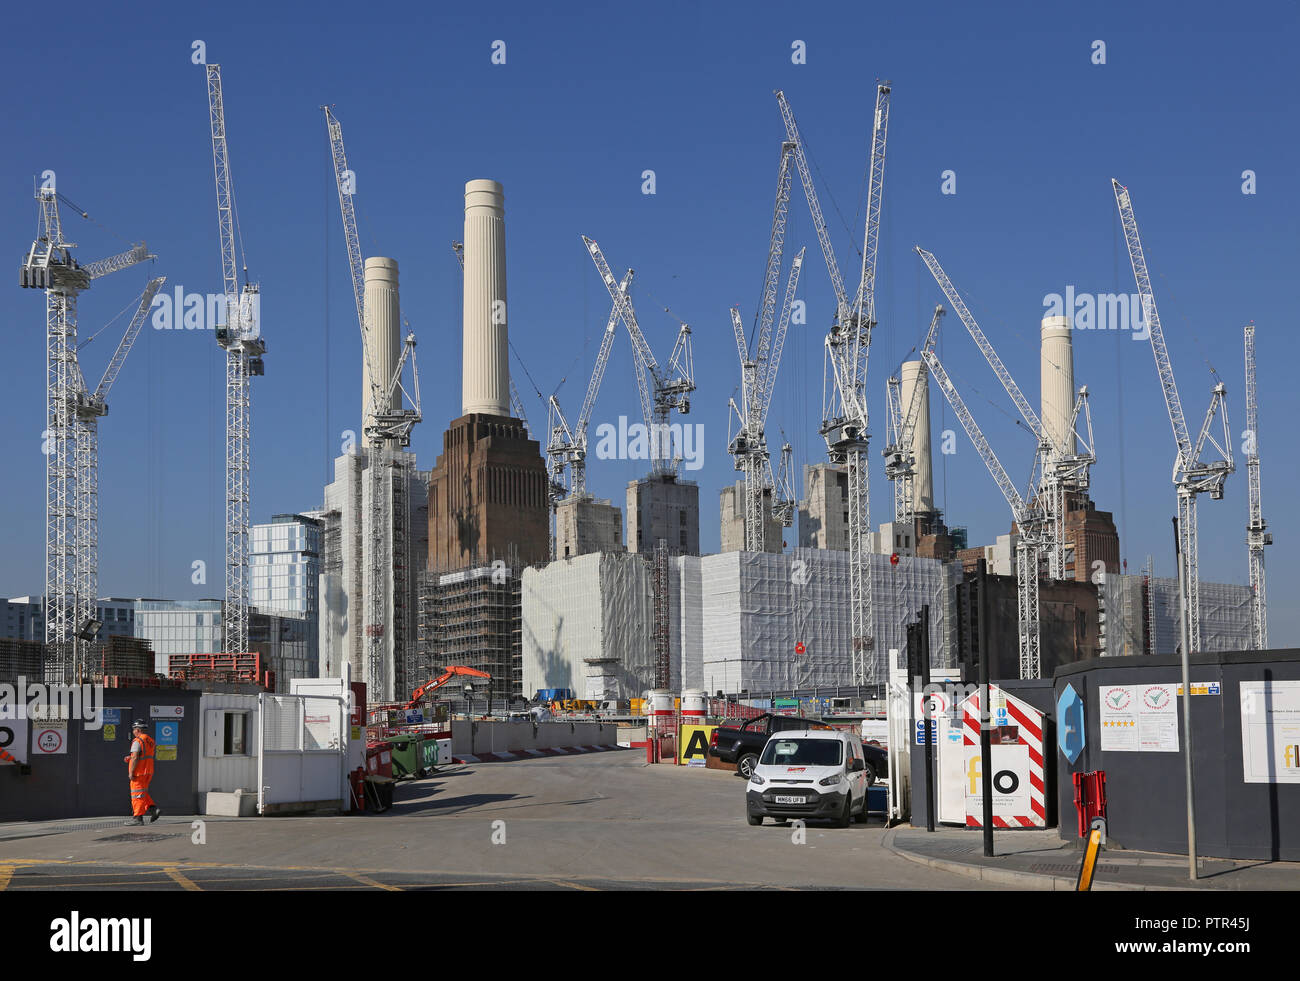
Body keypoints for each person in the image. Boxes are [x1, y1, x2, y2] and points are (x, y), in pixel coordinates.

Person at [123, 720, 160, 826]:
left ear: (138, 730)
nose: (133, 731)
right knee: (142, 793)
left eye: (134, 729)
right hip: (148, 771)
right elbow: (143, 755)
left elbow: (135, 757)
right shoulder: (150, 740)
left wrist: (131, 772)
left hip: (139, 772)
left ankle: (137, 818)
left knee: (137, 795)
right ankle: (154, 810)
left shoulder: (137, 741)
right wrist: (130, 758)